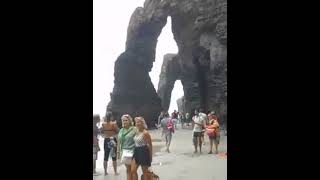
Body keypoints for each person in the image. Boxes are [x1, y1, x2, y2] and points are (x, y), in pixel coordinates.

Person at [117, 114, 136, 180]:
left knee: (133, 170)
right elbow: (119, 142)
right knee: (128, 170)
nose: (124, 122)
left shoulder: (134, 129)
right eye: (123, 120)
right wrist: (118, 152)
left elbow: (139, 138)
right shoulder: (121, 130)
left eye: (126, 120)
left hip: (134, 152)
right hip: (125, 152)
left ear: (130, 121)